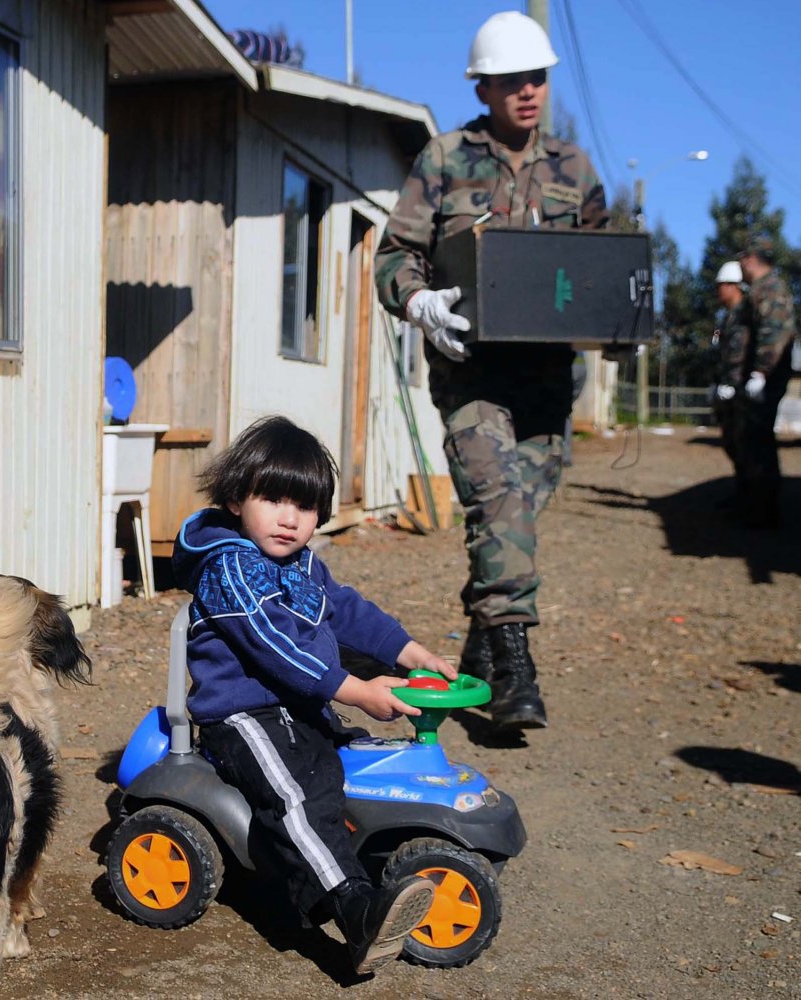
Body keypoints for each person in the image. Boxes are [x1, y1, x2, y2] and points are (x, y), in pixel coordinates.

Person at [375, 11, 607, 731]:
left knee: (519, 512)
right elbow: (394, 254)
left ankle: (479, 641)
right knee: (500, 501)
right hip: (471, 375)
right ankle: (513, 668)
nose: (528, 92)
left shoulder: (575, 169)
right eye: (512, 81)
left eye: (536, 78)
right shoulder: (444, 158)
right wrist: (417, 302)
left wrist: (622, 329)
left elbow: (603, 268)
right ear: (485, 89)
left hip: (545, 382)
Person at [171, 415, 457, 975]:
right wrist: (354, 689)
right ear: (236, 499)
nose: (288, 518)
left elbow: (345, 610)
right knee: (301, 791)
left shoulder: (300, 563)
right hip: (243, 715)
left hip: (296, 706)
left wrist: (410, 651)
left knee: (346, 761)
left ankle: (366, 858)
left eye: (303, 507)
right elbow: (276, 645)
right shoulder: (228, 566)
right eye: (273, 499)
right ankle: (355, 907)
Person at [733, 235, 797, 528]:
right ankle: (752, 504)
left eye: (742, 258)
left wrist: (760, 372)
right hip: (757, 378)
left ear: (751, 258)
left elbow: (775, 332)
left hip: (766, 379)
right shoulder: (760, 289)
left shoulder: (771, 289)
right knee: (750, 440)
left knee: (759, 442)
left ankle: (765, 511)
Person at [711, 260, 749, 508]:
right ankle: (742, 494)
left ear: (734, 286)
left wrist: (731, 384)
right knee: (733, 444)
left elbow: (741, 353)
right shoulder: (727, 318)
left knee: (746, 446)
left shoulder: (745, 315)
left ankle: (752, 500)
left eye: (722, 285)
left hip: (741, 392)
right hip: (727, 390)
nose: (719, 291)